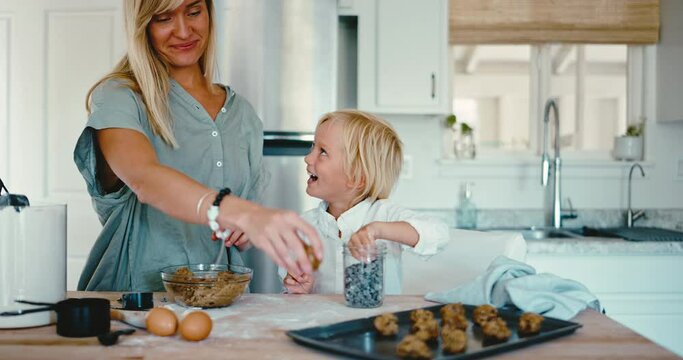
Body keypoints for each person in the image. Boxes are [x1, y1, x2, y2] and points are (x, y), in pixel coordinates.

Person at [73, 0, 321, 291]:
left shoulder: (243, 114)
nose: (183, 30)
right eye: (164, 18)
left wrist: (244, 228)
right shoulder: (120, 97)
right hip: (132, 303)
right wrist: (240, 212)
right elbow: (143, 176)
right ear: (143, 27)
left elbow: (241, 215)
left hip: (223, 303)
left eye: (193, 12)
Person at [281, 110, 449, 295]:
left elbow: (438, 234)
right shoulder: (302, 228)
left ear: (356, 178)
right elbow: (291, 288)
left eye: (322, 152)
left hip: (378, 322)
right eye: (313, 147)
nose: (308, 158)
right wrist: (300, 288)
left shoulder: (385, 216)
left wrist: (378, 230)